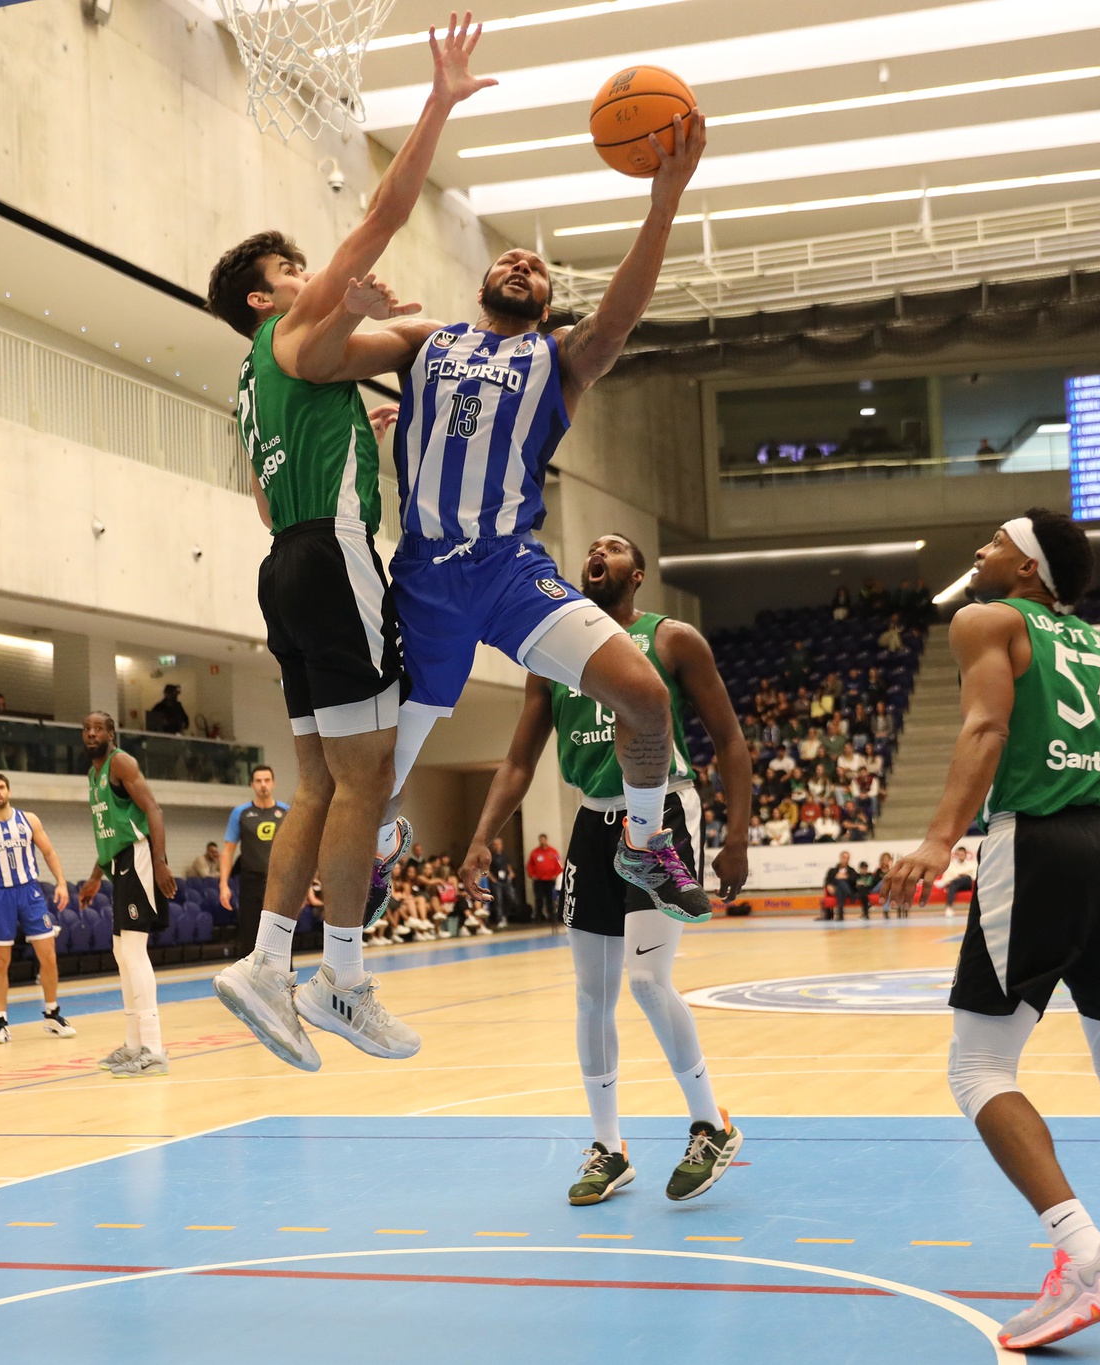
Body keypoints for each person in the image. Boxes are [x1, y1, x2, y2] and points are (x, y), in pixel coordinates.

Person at [302, 111, 712, 933]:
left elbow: (619, 320)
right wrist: (347, 310)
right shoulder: (426, 340)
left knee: (643, 694)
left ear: (550, 302)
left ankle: (642, 839)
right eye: (509, 256)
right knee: (374, 775)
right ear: (483, 281)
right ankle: (382, 845)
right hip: (424, 581)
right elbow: (319, 362)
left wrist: (664, 198)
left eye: (539, 268)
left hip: (511, 569)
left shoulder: (557, 359)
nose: (523, 262)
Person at [202, 21, 497, 1067]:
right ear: (261, 294)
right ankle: (343, 979)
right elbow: (378, 216)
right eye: (292, 268)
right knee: (371, 778)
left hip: (283, 563)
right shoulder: (294, 330)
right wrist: (438, 105)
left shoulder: (259, 381)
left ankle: (266, 963)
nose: (310, 275)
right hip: (330, 556)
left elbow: (259, 491)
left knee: (322, 781)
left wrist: (355, 434)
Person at [880, 509, 1100, 1349]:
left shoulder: (985, 619)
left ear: (1028, 567)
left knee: (980, 1067)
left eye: (995, 540)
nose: (981, 550)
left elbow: (987, 728)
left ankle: (1088, 1257)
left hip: (1033, 841)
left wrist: (937, 837)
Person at [457, 532, 750, 1205]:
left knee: (648, 980)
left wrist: (735, 837)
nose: (599, 552)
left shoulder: (673, 640)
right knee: (592, 994)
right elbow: (518, 761)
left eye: (614, 547)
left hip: (664, 808)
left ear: (637, 573)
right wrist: (481, 836)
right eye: (591, 546)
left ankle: (712, 1122)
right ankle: (609, 1147)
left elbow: (730, 740)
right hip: (591, 820)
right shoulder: (551, 652)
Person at [73, 714, 177, 1076]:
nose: (91, 734)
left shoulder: (121, 761)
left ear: (111, 734)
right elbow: (110, 832)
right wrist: (94, 878)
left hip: (141, 857)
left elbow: (153, 809)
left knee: (133, 950)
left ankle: (153, 1048)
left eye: (98, 729)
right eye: (86, 729)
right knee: (121, 951)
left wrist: (160, 862)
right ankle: (133, 1045)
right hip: (119, 863)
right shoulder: (93, 775)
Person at [0, 773, 76, 1046]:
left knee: (48, 956)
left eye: (1, 787)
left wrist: (61, 882)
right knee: (0, 962)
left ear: (9, 791)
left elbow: (49, 852)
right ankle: (1, 1022)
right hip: (0, 897)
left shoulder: (29, 820)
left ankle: (52, 1014)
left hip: (31, 892)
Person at [219, 763, 286, 949]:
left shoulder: (287, 812)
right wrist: (223, 884)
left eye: (267, 780)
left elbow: (299, 851)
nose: (263, 785)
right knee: (249, 935)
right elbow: (228, 850)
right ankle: (249, 977)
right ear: (252, 785)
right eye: (258, 781)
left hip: (279, 881)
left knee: (280, 934)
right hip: (250, 882)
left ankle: (284, 976)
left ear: (273, 783)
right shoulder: (240, 813)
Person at [526, 834, 562, 922]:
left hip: (550, 880)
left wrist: (556, 874)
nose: (542, 841)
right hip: (539, 880)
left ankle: (551, 916)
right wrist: (532, 874)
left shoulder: (553, 852)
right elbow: (529, 865)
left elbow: (559, 864)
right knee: (539, 899)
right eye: (541, 840)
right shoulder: (535, 852)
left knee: (550, 899)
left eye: (544, 840)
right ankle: (539, 917)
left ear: (546, 840)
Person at [939, 843, 976, 913]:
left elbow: (974, 877)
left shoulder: (971, 865)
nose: (961, 856)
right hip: (956, 885)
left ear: (965, 854)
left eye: (962, 854)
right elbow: (947, 877)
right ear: (956, 855)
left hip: (968, 884)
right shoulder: (951, 865)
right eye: (959, 854)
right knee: (953, 884)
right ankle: (949, 908)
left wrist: (962, 875)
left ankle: (947, 884)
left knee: (966, 877)